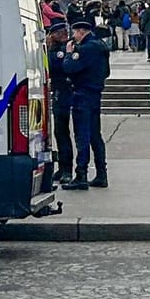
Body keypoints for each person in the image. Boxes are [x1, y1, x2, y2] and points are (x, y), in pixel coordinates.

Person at [60, 19, 109, 190]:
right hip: (95, 93)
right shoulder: (101, 46)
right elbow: (106, 72)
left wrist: (68, 54)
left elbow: (69, 67)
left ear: (81, 31)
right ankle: (102, 173)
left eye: (75, 33)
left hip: (82, 94)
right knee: (95, 135)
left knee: (82, 135)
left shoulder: (85, 49)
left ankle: (81, 174)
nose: (73, 36)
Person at [46, 22, 75, 182]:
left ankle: (67, 170)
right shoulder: (57, 49)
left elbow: (55, 67)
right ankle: (63, 168)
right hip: (59, 92)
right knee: (59, 132)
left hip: (63, 93)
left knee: (62, 132)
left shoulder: (62, 51)